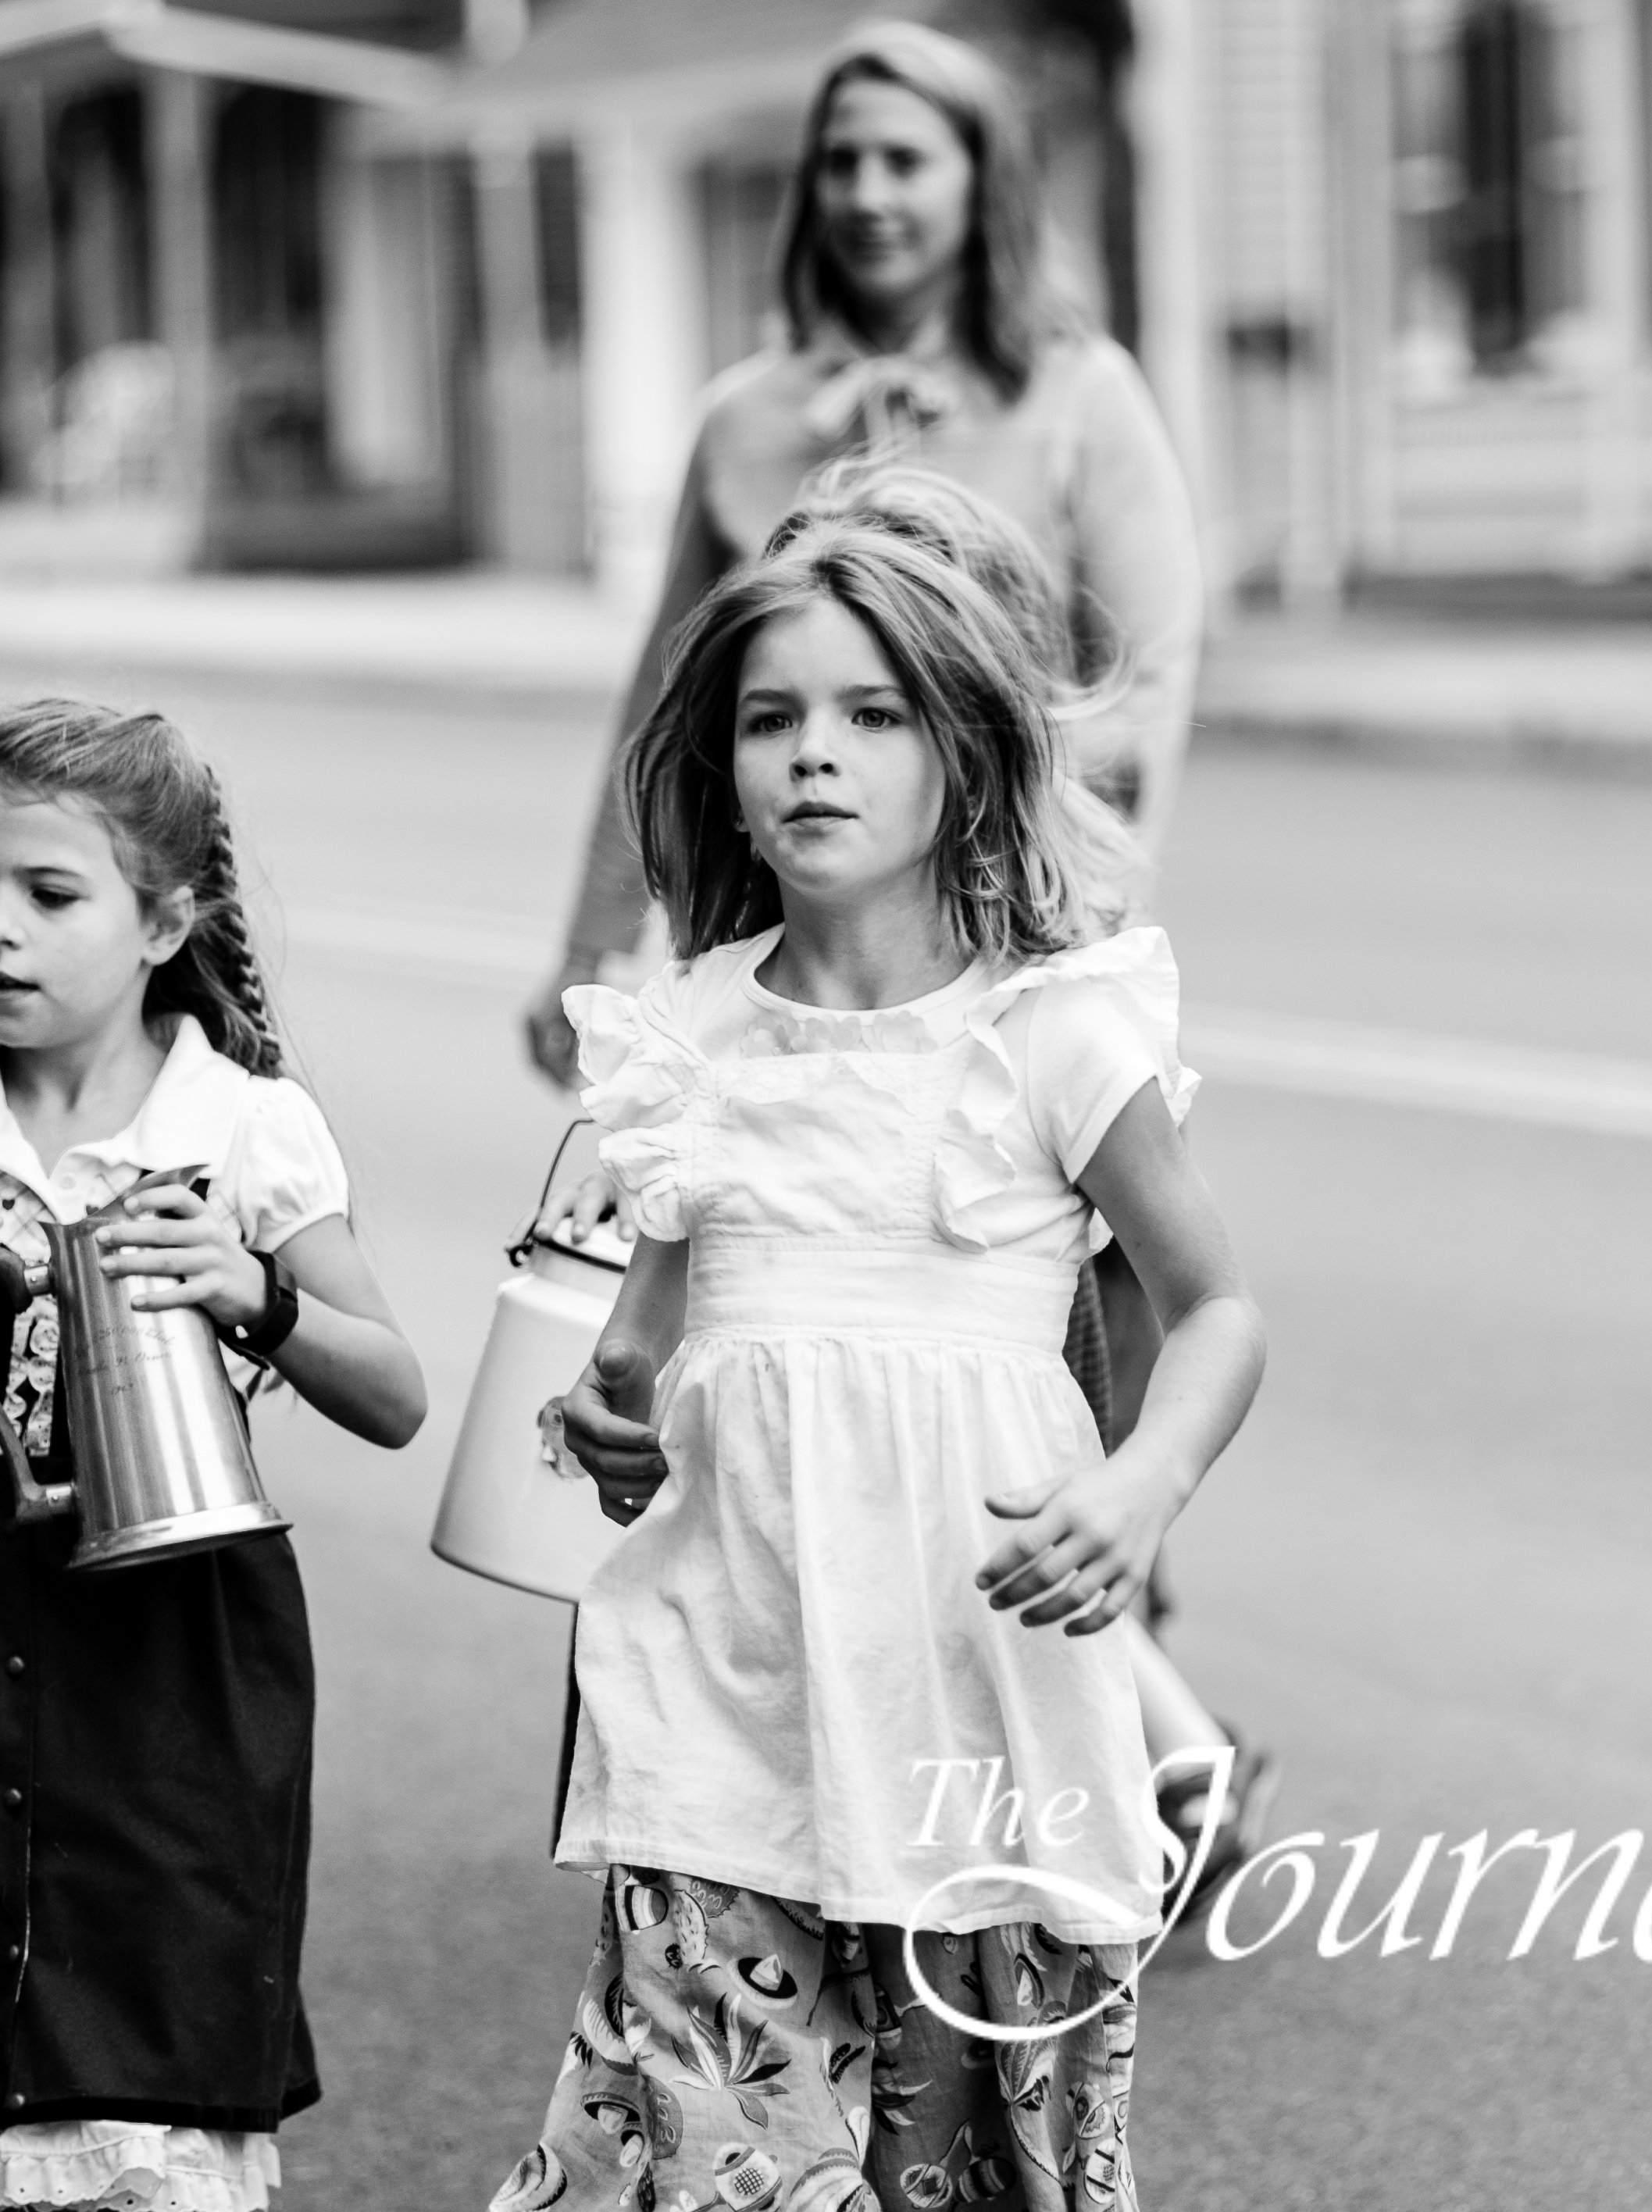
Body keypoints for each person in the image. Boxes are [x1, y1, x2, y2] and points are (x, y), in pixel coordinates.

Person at [522, 16, 1271, 1911]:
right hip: (795, 971)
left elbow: (1146, 672)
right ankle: (826, 1764)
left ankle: (1092, 1733)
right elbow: (671, 693)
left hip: (1011, 952)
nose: (868, 193)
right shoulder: (746, 417)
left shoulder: (1075, 398)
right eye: (842, 161)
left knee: (1028, 1376)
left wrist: (1050, 916)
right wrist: (596, 937)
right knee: (791, 1360)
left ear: (977, 186)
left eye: (906, 158)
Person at [486, 520, 1266, 2212]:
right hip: (723, 1702)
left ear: (964, 753)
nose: (814, 753)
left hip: (974, 1715)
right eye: (771, 719)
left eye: (873, 714)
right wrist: (607, 1417)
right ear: (724, 765)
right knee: (725, 2168)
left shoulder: (1050, 1034)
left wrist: (1142, 1485)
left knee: (967, 2171)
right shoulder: (686, 1039)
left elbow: (1216, 1307)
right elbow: (641, 1350)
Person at [0, 701, 426, 2212]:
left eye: (51, 894)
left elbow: (394, 1395)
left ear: (164, 924)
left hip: (171, 1691)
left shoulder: (241, 1127)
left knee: (140, 2067)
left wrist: (257, 1294)